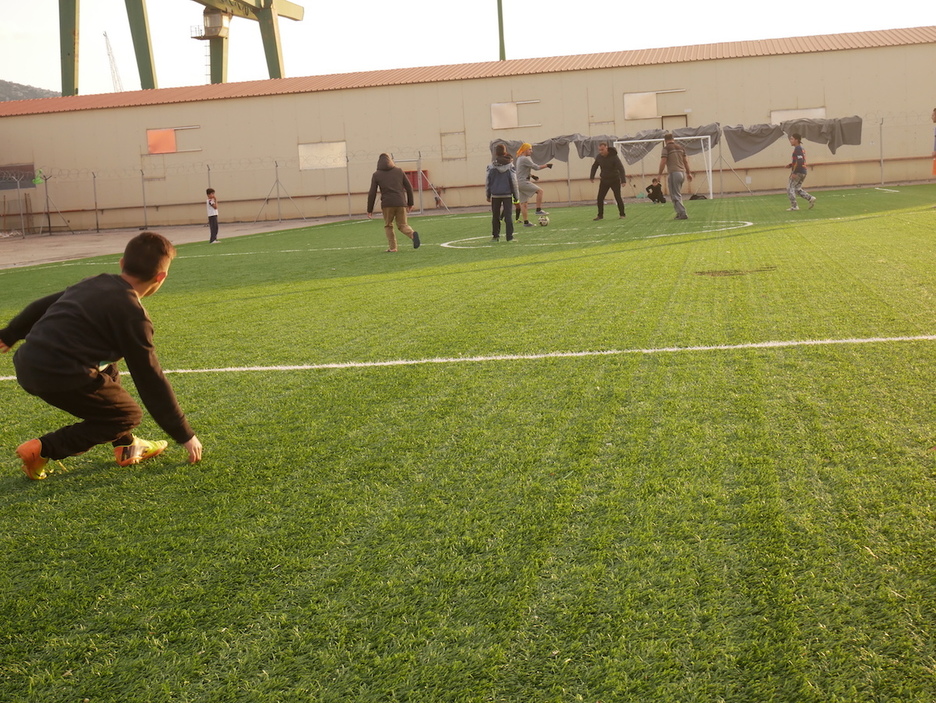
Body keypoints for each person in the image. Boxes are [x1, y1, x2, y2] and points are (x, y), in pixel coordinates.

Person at [0, 231, 203, 480]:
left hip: (27, 362)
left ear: (121, 263)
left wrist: (10, 334)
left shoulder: (93, 281)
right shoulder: (134, 316)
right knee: (127, 415)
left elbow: (42, 305)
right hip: (60, 375)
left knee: (108, 369)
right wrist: (184, 434)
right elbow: (151, 380)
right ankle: (44, 448)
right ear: (161, 277)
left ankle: (126, 446)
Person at [366, 153, 420, 252]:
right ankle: (412, 234)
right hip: (400, 202)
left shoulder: (376, 175)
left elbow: (372, 193)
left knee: (388, 225)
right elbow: (409, 187)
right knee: (402, 225)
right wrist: (410, 203)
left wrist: (370, 209)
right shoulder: (399, 171)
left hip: (387, 204)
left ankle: (393, 248)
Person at [485, 144, 520, 241]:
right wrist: (516, 195)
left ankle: (495, 236)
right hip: (507, 194)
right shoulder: (510, 166)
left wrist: (488, 195)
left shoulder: (491, 166)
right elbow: (514, 182)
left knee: (495, 216)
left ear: (495, 153)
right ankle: (510, 237)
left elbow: (488, 181)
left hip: (495, 194)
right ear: (505, 152)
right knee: (508, 216)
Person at [515, 143, 552, 227]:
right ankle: (538, 210)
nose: (531, 151)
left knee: (524, 203)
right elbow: (536, 167)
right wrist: (547, 165)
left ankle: (526, 222)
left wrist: (532, 176)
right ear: (525, 150)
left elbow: (522, 171)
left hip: (519, 182)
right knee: (540, 191)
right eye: (530, 149)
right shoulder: (524, 159)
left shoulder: (519, 159)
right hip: (523, 182)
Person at [658, 133, 692, 220]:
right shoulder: (681, 148)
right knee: (677, 193)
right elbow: (686, 162)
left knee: (674, 194)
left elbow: (663, 161)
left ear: (665, 141)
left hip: (674, 173)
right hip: (682, 173)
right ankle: (679, 213)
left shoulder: (666, 149)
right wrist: (688, 173)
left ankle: (683, 213)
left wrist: (659, 175)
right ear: (673, 139)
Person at [589, 142, 627, 220]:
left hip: (615, 180)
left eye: (602, 150)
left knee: (618, 197)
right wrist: (591, 176)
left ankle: (622, 214)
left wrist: (623, 180)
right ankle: (600, 215)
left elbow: (621, 168)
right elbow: (594, 166)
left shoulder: (614, 157)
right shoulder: (599, 157)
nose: (601, 152)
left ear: (606, 148)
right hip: (604, 181)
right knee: (600, 198)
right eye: (599, 150)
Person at [786, 133, 816, 211]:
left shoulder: (798, 148)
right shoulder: (800, 148)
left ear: (797, 140)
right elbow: (799, 160)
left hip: (798, 172)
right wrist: (790, 165)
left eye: (792, 139)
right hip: (803, 171)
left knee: (790, 188)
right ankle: (810, 198)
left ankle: (794, 206)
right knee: (797, 189)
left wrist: (794, 172)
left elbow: (799, 161)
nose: (790, 140)